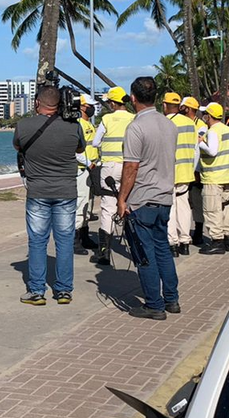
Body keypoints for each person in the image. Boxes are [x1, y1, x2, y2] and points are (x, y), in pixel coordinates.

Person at [14, 86, 85, 306]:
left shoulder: (24, 126)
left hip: (38, 191)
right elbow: (80, 150)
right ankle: (63, 291)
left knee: (37, 241)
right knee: (64, 241)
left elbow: (18, 146)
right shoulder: (74, 126)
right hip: (66, 190)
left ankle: (37, 291)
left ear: (37, 103)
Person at [116, 77, 179, 320]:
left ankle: (154, 304)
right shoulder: (169, 125)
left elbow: (131, 167)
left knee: (145, 254)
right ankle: (171, 299)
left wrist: (122, 199)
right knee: (162, 249)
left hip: (142, 199)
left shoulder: (136, 127)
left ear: (133, 98)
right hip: (164, 197)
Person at [91, 86, 135, 266]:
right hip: (128, 166)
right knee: (129, 204)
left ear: (113, 103)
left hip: (109, 166)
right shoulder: (134, 118)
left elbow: (95, 142)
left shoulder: (107, 119)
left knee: (108, 207)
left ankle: (104, 253)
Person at [198, 102, 229, 255]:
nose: (203, 117)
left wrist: (201, 144)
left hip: (213, 177)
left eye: (204, 114)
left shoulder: (213, 131)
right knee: (225, 207)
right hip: (227, 176)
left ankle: (217, 241)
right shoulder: (228, 130)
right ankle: (228, 238)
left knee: (212, 209)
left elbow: (213, 151)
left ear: (209, 116)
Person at [162, 92, 196, 257]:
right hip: (186, 172)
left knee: (171, 207)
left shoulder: (165, 123)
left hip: (169, 172)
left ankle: (172, 243)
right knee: (184, 207)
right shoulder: (190, 123)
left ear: (165, 105)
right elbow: (195, 150)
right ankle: (185, 241)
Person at [73, 95, 99, 255]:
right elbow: (76, 150)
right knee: (80, 203)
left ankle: (84, 235)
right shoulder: (78, 124)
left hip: (91, 168)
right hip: (82, 169)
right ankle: (74, 240)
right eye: (89, 105)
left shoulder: (89, 123)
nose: (92, 108)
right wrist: (88, 162)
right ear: (82, 106)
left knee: (89, 204)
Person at [180, 96, 206, 245]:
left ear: (187, 108)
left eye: (182, 107)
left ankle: (198, 231)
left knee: (196, 201)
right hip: (183, 169)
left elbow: (197, 144)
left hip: (196, 170)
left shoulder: (201, 125)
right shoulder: (181, 122)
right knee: (184, 203)